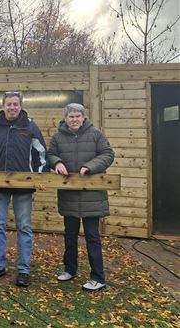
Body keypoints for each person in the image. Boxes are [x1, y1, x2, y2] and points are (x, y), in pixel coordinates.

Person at [0, 91, 47, 287]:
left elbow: (41, 155)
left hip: (24, 187)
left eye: (15, 104)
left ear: (20, 106)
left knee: (24, 227)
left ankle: (23, 270)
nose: (12, 107)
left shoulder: (30, 126)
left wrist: (39, 177)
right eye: (9, 104)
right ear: (3, 106)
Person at [47, 103, 114, 292]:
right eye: (71, 117)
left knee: (92, 237)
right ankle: (70, 269)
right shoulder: (58, 137)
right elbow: (50, 154)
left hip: (92, 196)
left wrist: (90, 166)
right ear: (65, 119)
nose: (74, 119)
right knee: (70, 235)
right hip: (69, 195)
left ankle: (98, 277)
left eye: (77, 116)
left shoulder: (95, 134)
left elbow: (108, 154)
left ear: (83, 117)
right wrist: (57, 162)